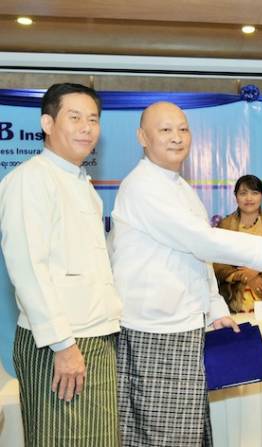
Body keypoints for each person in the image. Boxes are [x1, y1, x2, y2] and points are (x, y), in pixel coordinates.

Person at [108, 101, 262, 446]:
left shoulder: (179, 187)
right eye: (165, 130)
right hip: (155, 331)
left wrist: (215, 309)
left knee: (190, 432)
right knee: (162, 436)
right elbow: (201, 239)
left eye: (183, 129)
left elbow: (199, 255)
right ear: (142, 137)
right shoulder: (142, 185)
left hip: (186, 325)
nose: (177, 137)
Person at [0, 83, 122, 446]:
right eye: (75, 117)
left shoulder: (81, 182)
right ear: (48, 123)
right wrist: (63, 345)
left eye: (93, 119)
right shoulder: (31, 179)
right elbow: (28, 268)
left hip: (95, 337)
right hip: (59, 344)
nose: (87, 128)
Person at [214, 174, 262, 312]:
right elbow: (217, 263)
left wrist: (258, 269)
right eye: (243, 193)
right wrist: (246, 277)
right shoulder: (225, 225)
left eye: (254, 193)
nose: (249, 198)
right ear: (236, 197)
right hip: (233, 296)